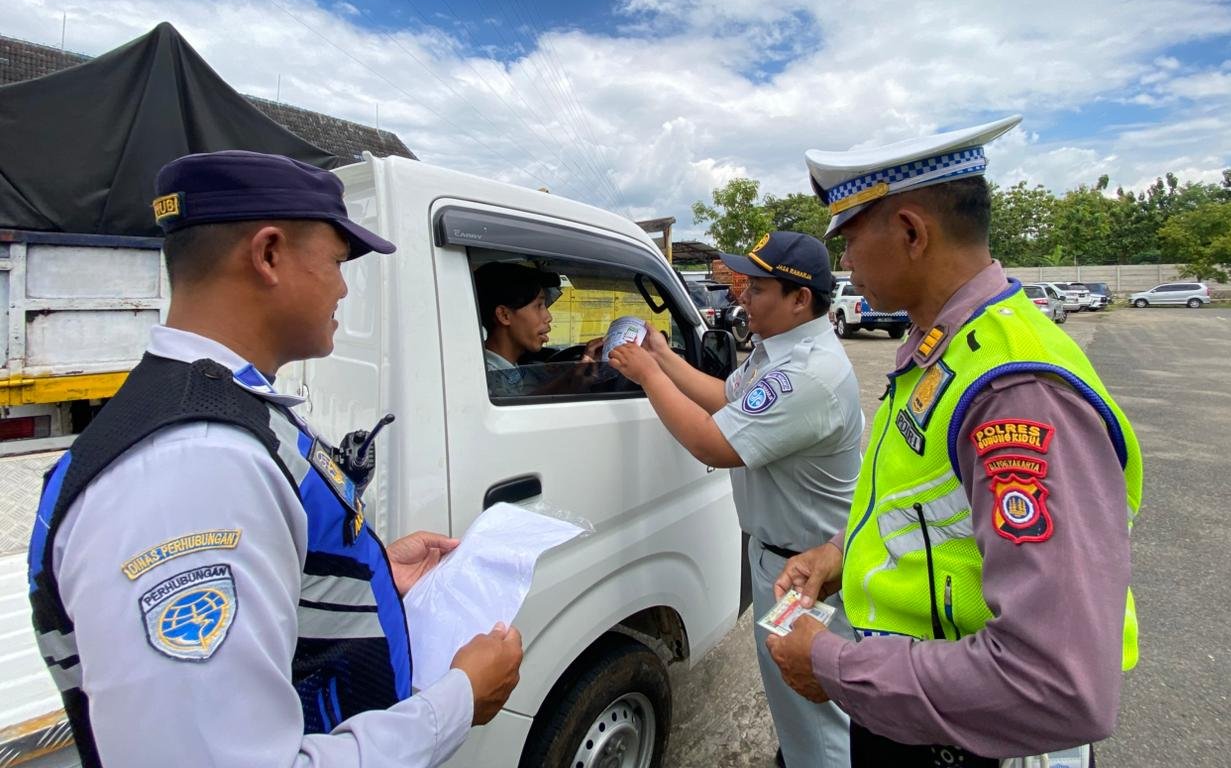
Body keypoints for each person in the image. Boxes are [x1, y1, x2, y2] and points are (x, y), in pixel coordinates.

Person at [28, 151, 523, 768]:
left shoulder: (219, 407)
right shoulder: (194, 466)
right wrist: (458, 701)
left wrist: (357, 579)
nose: (344, 287)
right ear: (268, 254)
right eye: (338, 262)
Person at [767, 117, 1143, 767]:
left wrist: (832, 666)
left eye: (850, 239)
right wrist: (839, 556)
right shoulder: (942, 347)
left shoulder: (1015, 390)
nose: (845, 263)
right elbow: (928, 507)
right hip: (924, 710)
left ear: (911, 232)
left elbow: (1057, 684)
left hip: (975, 743)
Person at [609, 231, 861, 768]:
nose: (743, 295)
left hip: (808, 572)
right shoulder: (780, 351)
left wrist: (648, 374)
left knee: (815, 715)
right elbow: (725, 396)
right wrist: (662, 356)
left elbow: (713, 442)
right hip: (781, 558)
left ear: (800, 298)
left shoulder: (807, 374)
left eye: (758, 288)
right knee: (794, 704)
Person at [473, 260, 602, 397]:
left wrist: (574, 376)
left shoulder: (508, 368)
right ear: (504, 315)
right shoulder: (485, 380)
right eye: (539, 306)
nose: (549, 317)